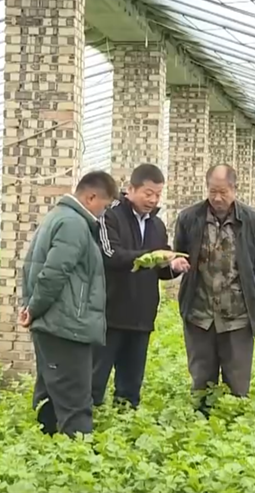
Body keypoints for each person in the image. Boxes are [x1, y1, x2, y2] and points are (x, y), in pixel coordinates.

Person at [18, 170, 118, 438]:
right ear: (91, 197)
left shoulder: (58, 216)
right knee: (75, 401)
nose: (103, 213)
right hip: (66, 327)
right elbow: (53, 273)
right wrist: (33, 308)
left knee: (51, 396)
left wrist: (30, 307)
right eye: (104, 206)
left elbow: (31, 267)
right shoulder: (73, 224)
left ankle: (46, 450)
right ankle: (77, 456)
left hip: (55, 324)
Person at [173, 164, 255, 415]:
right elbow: (181, 252)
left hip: (237, 315)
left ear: (235, 189)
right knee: (201, 379)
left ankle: (233, 424)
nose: (217, 198)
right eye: (212, 191)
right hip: (199, 313)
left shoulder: (253, 221)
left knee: (237, 382)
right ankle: (202, 423)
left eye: (223, 192)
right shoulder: (189, 218)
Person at [93, 164, 190, 408]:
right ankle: (88, 423)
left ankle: (125, 421)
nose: (153, 200)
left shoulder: (157, 225)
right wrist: (152, 255)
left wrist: (173, 266)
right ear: (131, 189)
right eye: (148, 193)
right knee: (94, 381)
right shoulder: (110, 216)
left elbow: (159, 269)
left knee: (130, 386)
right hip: (110, 315)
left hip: (141, 318)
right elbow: (110, 255)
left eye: (158, 194)